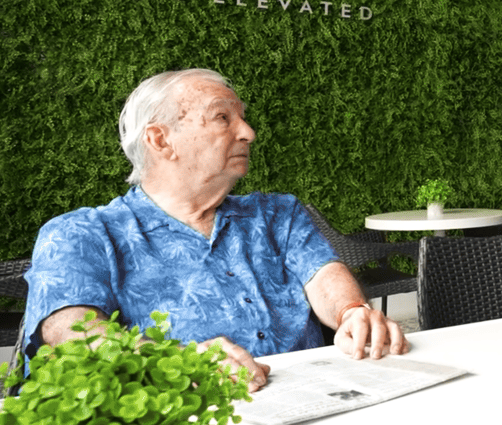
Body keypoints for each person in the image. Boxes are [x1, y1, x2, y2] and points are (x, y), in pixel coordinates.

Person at [23, 68, 409, 392]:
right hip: (186, 422)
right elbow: (71, 332)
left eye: (241, 117)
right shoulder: (81, 234)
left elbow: (323, 274)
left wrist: (352, 312)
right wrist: (172, 362)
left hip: (315, 397)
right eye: (223, 118)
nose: (248, 132)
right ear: (161, 140)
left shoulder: (278, 213)